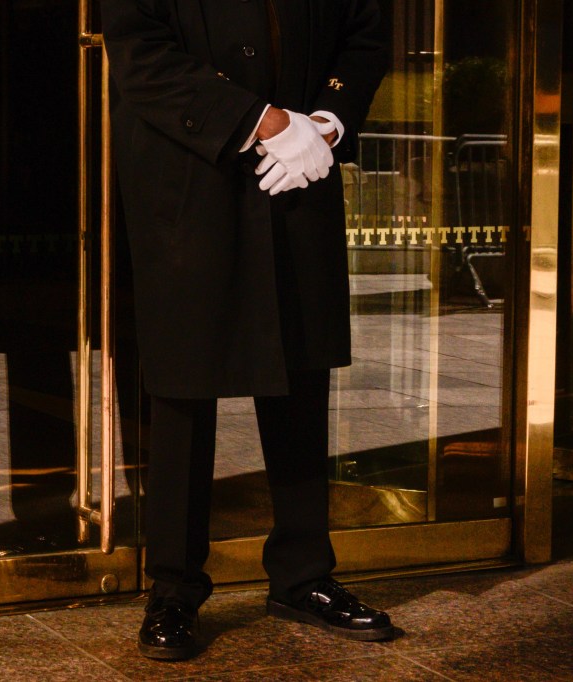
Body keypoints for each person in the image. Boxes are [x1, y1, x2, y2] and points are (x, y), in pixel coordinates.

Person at [102, 0, 393, 661]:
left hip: (299, 171)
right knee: (183, 385)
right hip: (188, 174)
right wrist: (261, 122)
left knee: (299, 375)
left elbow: (365, 35)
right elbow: (141, 55)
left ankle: (303, 577)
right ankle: (173, 589)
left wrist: (326, 124)